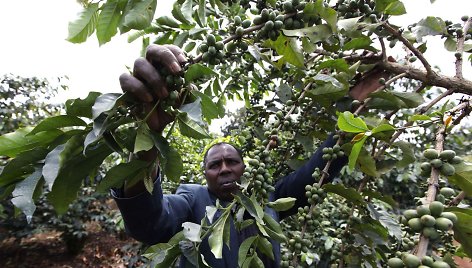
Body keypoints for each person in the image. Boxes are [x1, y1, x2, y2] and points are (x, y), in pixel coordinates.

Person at [112, 44, 387, 267]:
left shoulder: (267, 197)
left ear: (245, 168)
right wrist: (148, 141)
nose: (224, 169)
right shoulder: (191, 201)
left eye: (231, 162)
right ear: (204, 174)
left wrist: (355, 107)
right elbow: (147, 222)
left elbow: (319, 168)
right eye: (214, 165)